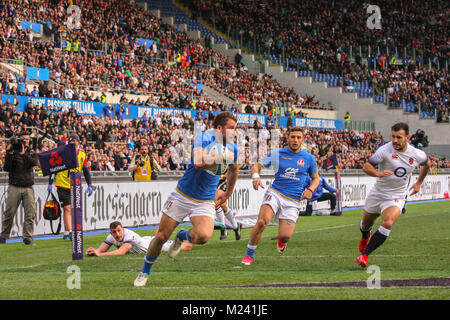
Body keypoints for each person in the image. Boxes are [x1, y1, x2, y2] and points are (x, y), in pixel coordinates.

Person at [134, 111, 239, 287]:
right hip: (183, 195)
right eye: (231, 128)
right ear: (219, 128)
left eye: (235, 128)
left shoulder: (233, 148)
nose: (234, 132)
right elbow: (198, 163)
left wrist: (227, 193)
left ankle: (182, 236)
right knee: (160, 236)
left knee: (204, 236)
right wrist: (218, 158)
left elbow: (234, 170)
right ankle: (145, 271)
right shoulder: (203, 138)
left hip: (204, 200)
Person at [241, 126, 320, 265]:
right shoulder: (277, 153)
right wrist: (255, 177)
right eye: (293, 137)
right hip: (275, 193)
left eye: (298, 137)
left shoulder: (309, 158)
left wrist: (311, 190)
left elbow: (316, 179)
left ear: (303, 139)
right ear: (287, 137)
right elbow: (256, 166)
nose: (295, 140)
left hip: (293, 201)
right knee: (261, 222)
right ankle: (249, 255)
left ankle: (281, 241)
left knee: (285, 236)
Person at [355, 123, 431, 268]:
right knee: (365, 225)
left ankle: (364, 255)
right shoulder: (384, 150)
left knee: (388, 222)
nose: (395, 140)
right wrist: (378, 173)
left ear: (407, 138)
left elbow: (427, 164)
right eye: (393, 137)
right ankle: (365, 235)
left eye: (399, 137)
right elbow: (367, 166)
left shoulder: (416, 154)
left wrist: (419, 183)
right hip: (378, 193)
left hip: (396, 196)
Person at [48, 134, 93, 240]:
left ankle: (67, 231)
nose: (73, 143)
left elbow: (85, 170)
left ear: (78, 142)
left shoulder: (82, 155)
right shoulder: (63, 153)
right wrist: (50, 183)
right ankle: (70, 232)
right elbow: (54, 167)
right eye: (71, 141)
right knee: (67, 208)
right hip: (62, 183)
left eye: (75, 141)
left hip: (75, 184)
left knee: (73, 209)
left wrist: (89, 184)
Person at [0, 131, 40, 245]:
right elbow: (7, 167)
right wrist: (8, 152)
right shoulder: (13, 151)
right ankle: (3, 236)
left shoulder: (31, 152)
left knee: (31, 213)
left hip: (28, 186)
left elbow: (35, 162)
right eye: (23, 139)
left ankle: (27, 237)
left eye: (27, 139)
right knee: (9, 213)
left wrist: (23, 154)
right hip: (15, 185)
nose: (25, 141)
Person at [86, 221, 192, 257]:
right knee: (158, 235)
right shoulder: (111, 237)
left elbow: (121, 251)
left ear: (123, 229)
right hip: (144, 240)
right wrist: (94, 251)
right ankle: (165, 227)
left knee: (186, 247)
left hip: (152, 245)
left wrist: (100, 254)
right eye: (114, 232)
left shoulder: (129, 236)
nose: (117, 234)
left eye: (119, 230)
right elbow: (100, 250)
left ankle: (183, 235)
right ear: (111, 232)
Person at [215, 170, 242, 240]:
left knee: (216, 202)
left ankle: (223, 228)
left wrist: (225, 175)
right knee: (223, 206)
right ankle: (236, 227)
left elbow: (233, 168)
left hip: (223, 181)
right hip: (214, 180)